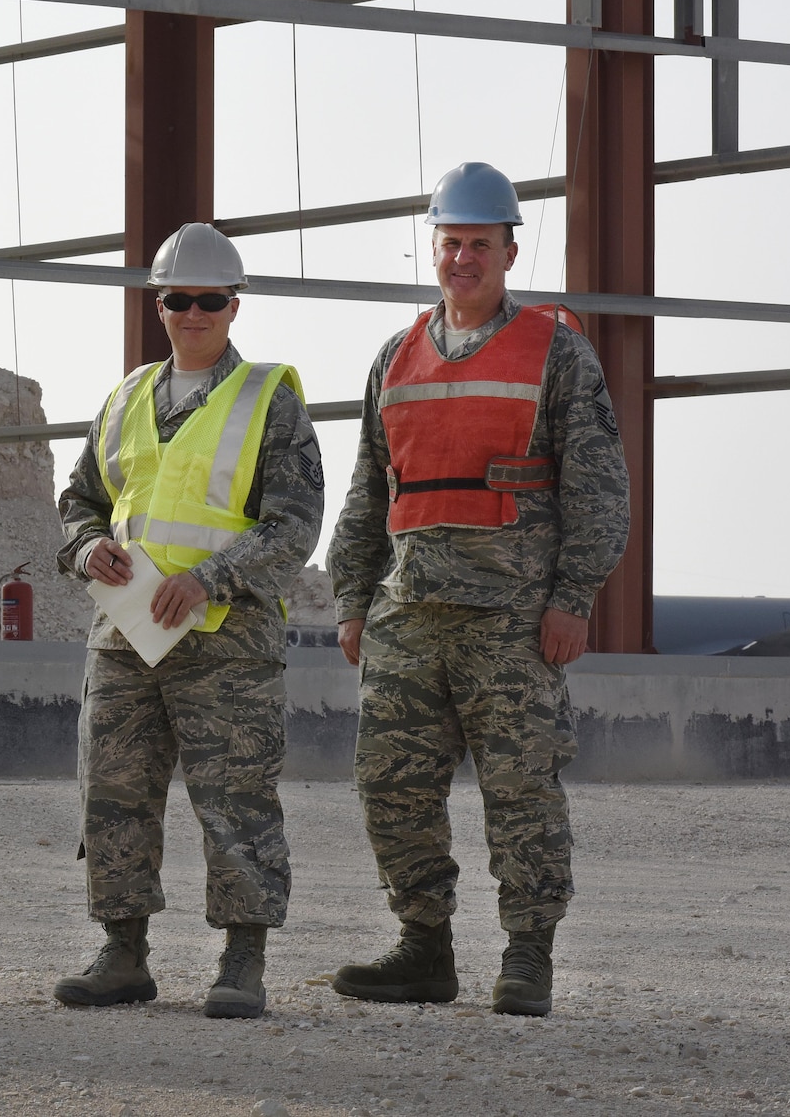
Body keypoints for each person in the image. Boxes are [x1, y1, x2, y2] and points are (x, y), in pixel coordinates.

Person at [328, 162, 630, 1018]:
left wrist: (574, 597)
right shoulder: (395, 356)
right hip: (407, 616)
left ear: (508, 250)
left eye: (479, 244)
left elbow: (601, 487)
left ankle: (527, 955)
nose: (463, 258)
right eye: (450, 242)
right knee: (392, 785)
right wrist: (354, 599)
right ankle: (424, 949)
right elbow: (367, 490)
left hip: (513, 619)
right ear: (435, 246)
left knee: (521, 790)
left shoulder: (556, 352)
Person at [52, 222, 323, 1020]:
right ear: (158, 304)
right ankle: (123, 952)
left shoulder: (270, 401)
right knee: (113, 792)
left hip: (226, 641)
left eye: (210, 300)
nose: (193, 312)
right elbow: (79, 501)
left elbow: (296, 524)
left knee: (235, 798)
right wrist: (87, 546)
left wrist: (210, 579)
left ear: (234, 306)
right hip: (126, 638)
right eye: (179, 299)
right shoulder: (127, 398)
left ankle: (242, 960)